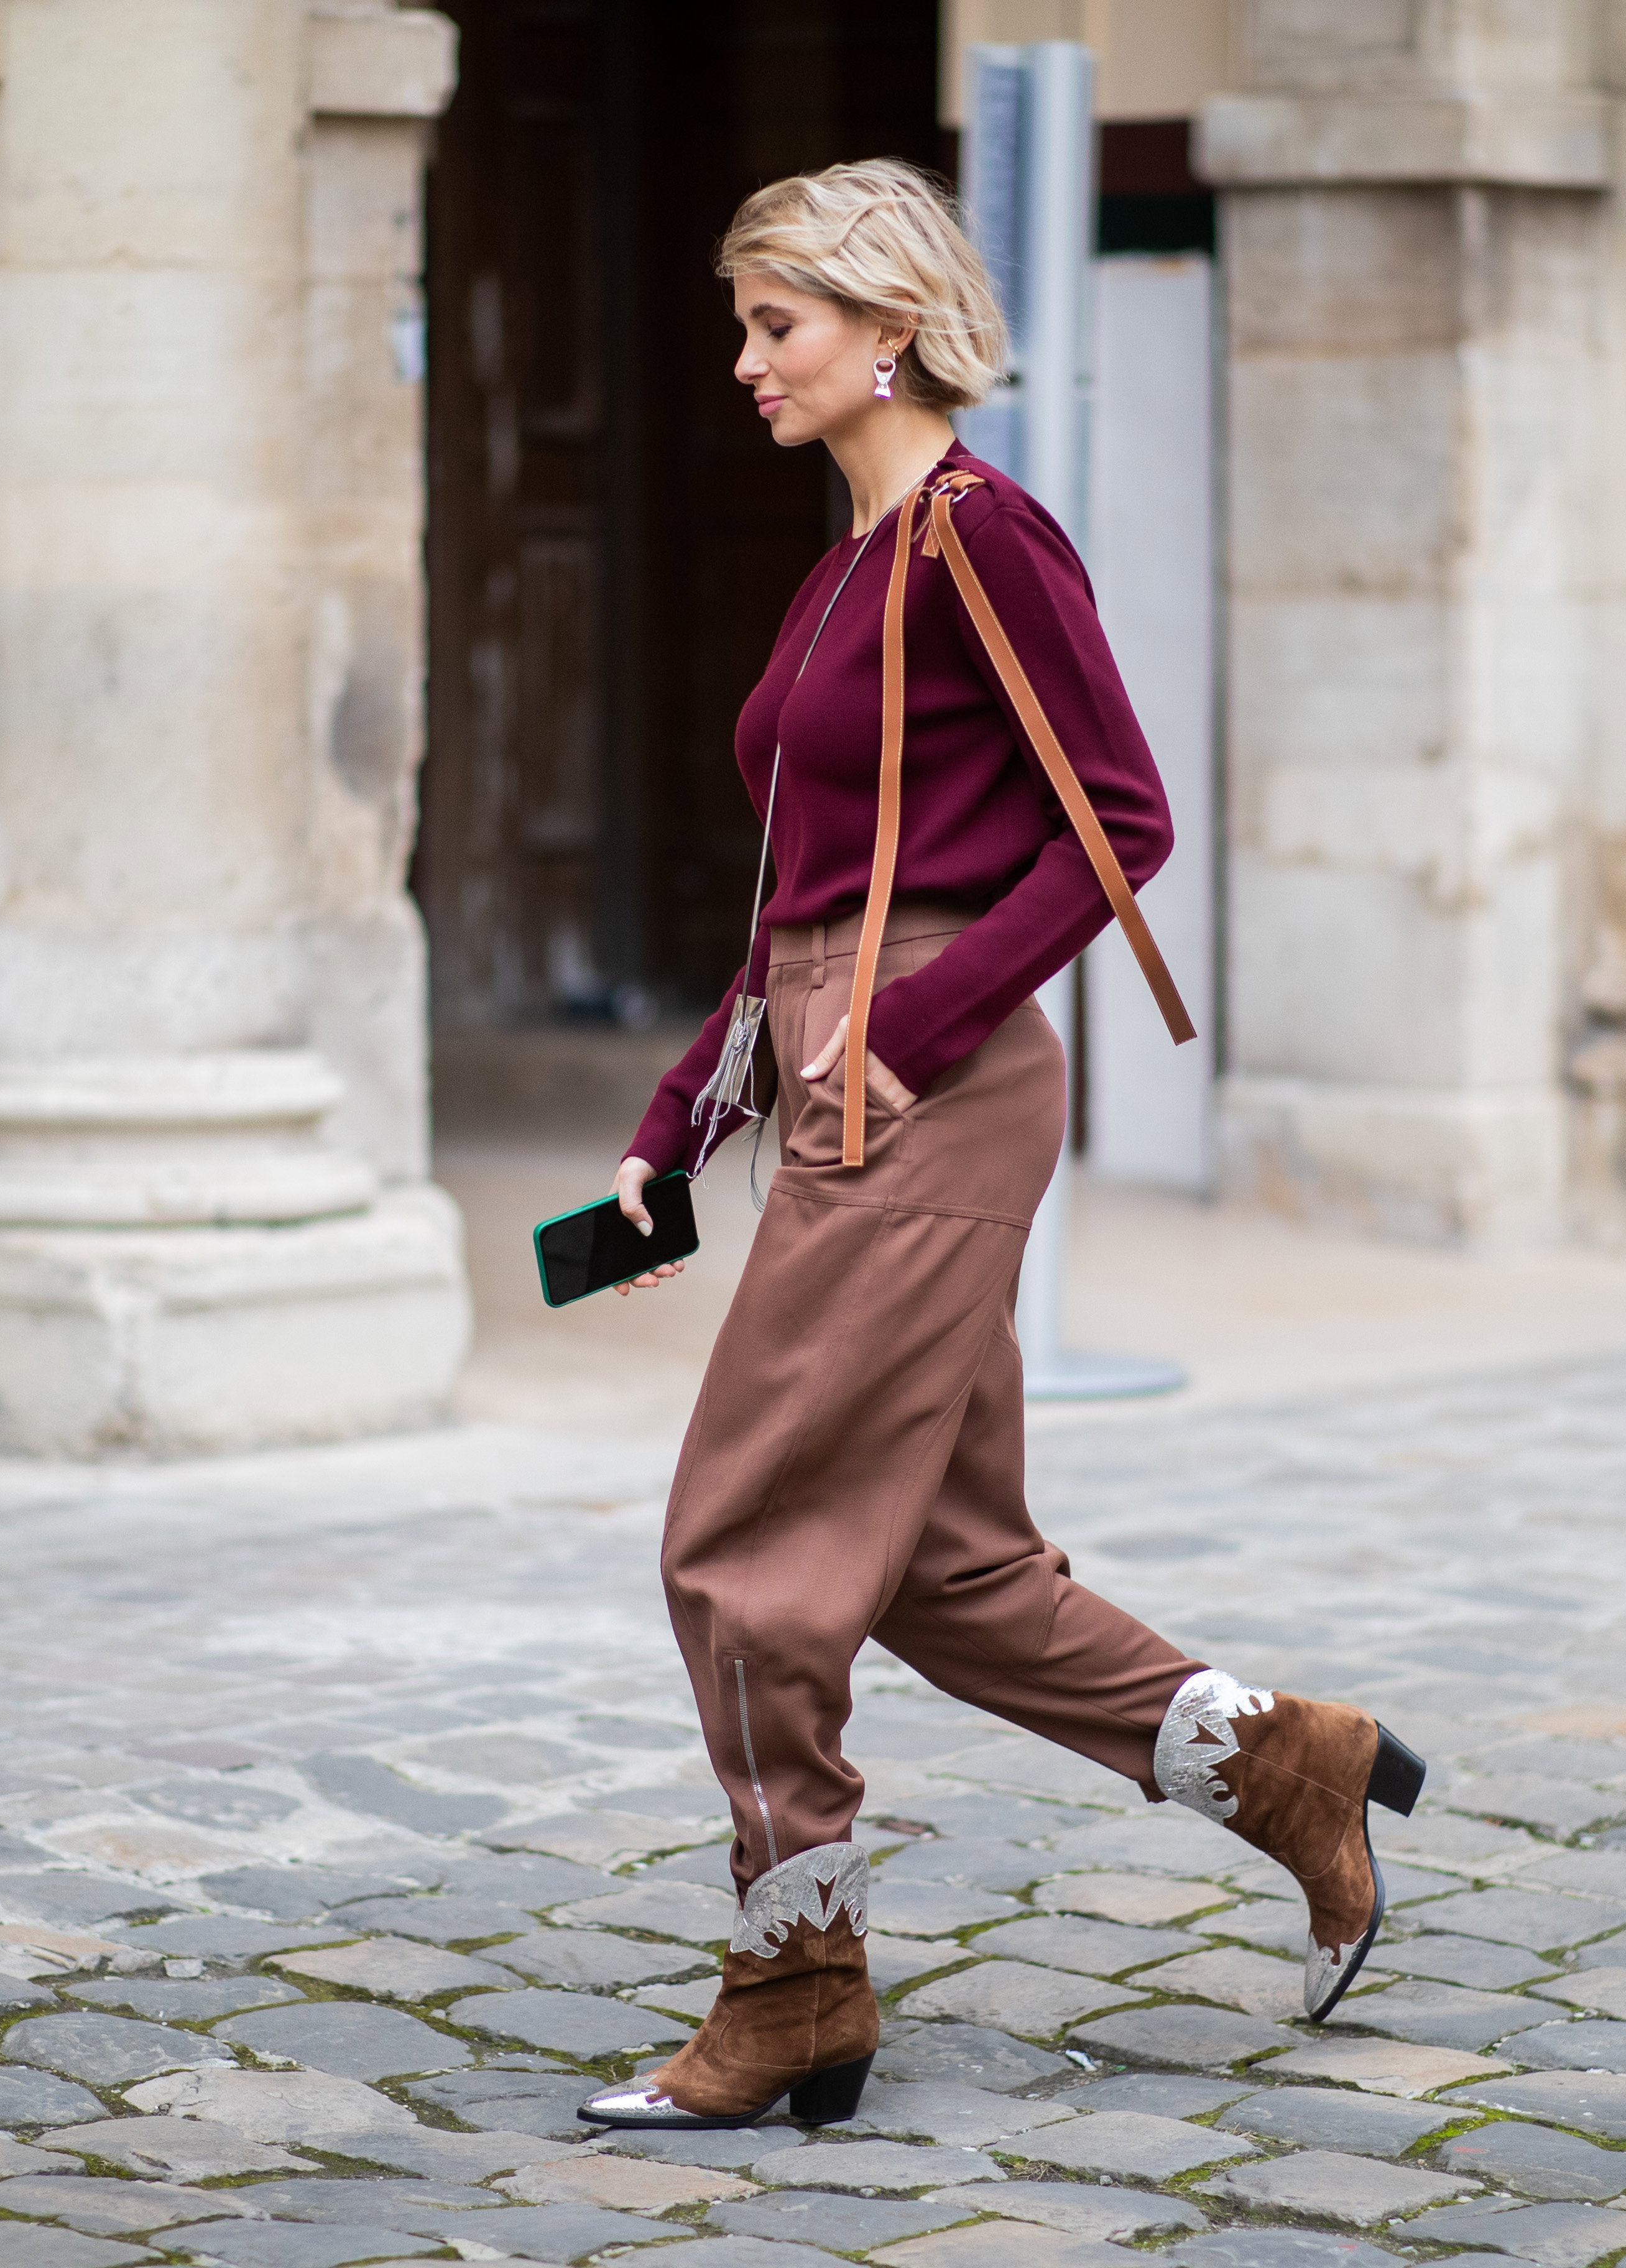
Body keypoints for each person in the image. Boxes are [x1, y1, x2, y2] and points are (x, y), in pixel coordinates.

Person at [577, 159, 1421, 2132]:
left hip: (931, 1080)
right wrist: (675, 1122)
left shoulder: (983, 537)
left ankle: (796, 1980)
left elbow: (1121, 823)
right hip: (841, 1051)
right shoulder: (848, 562)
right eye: (747, 324)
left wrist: (913, 1030)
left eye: (776, 324)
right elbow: (801, 886)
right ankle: (1282, 1764)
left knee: (744, 1542)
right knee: (944, 1567)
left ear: (889, 328)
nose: (746, 361)